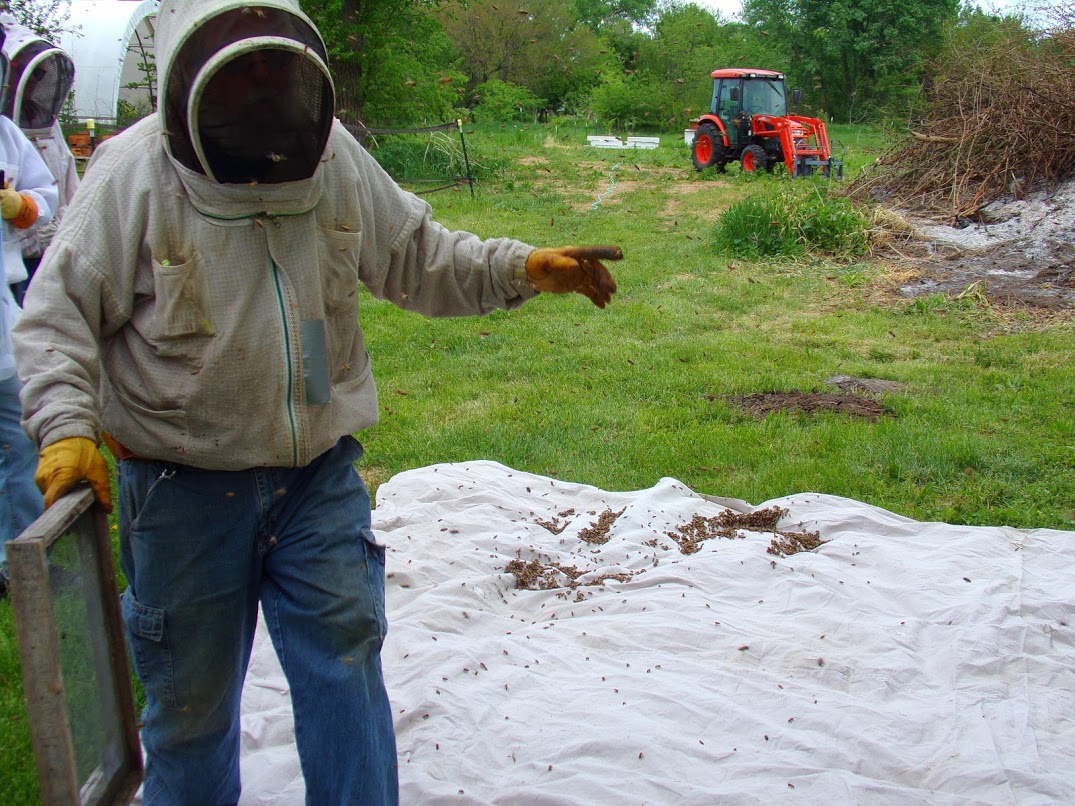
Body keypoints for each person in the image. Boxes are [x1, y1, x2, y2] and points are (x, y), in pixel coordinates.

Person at [12, 0, 619, 802]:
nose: (264, 84)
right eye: (243, 67)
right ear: (193, 77)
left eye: (276, 64)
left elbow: (416, 255)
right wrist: (65, 426)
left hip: (316, 482)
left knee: (345, 669)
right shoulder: (131, 174)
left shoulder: (333, 158)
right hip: (180, 490)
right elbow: (57, 317)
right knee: (191, 713)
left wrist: (517, 269)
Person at [0, 25, 57, 599]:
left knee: (18, 438)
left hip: (5, 309)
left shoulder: (6, 135)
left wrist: (23, 205)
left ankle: (17, 556)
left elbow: (47, 197)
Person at [0, 15, 79, 306]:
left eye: (39, 74)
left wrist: (24, 206)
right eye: (29, 73)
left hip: (45, 255)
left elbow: (66, 188)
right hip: (16, 261)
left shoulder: (37, 126)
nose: (36, 80)